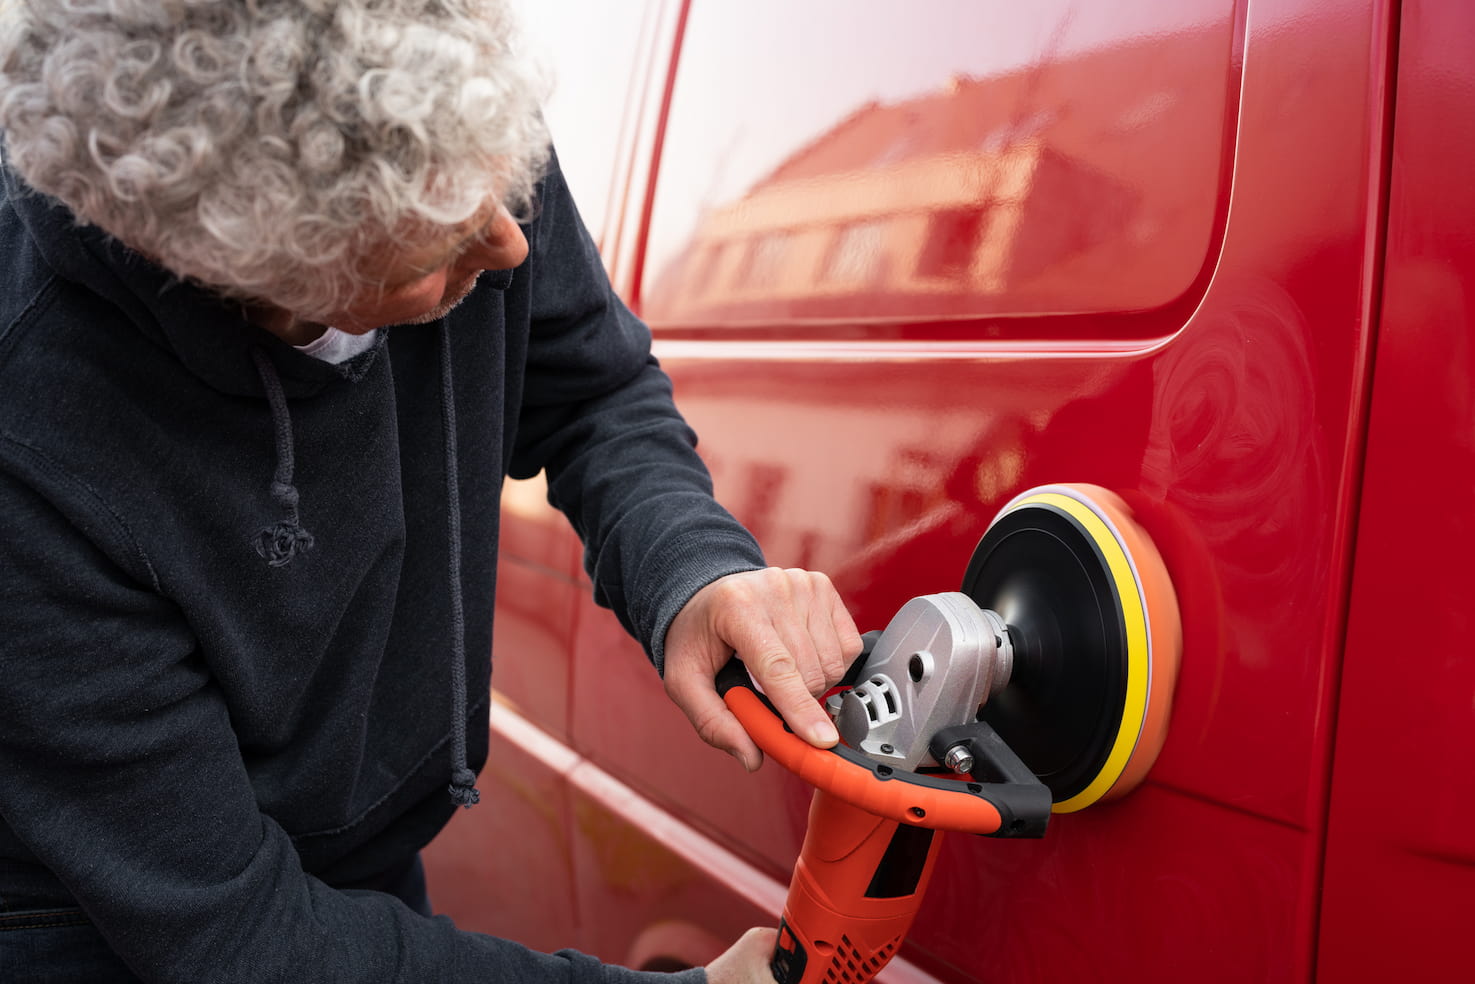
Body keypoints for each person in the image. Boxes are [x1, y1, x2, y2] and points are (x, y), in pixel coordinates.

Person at [0, 2, 862, 982]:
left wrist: (692, 571)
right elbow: (242, 943)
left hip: (354, 880)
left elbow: (590, 388)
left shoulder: (436, 116)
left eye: (505, 184)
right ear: (258, 272)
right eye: (432, 254)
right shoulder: (33, 440)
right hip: (96, 928)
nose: (508, 249)